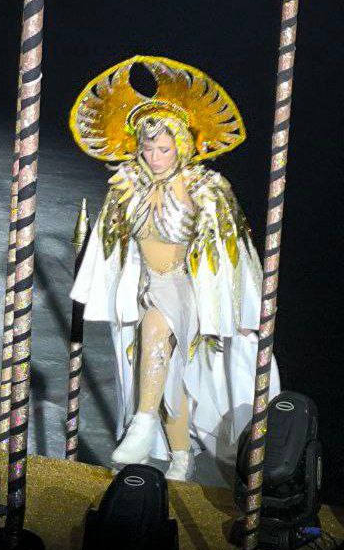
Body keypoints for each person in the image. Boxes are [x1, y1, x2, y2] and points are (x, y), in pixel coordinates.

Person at [69, 55, 279, 480]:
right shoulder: (127, 185)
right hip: (145, 285)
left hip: (184, 288)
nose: (155, 156)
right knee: (166, 373)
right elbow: (112, 247)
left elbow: (233, 253)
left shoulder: (206, 188)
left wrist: (242, 311)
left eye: (163, 148)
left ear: (181, 145)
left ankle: (143, 422)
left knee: (155, 327)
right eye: (148, 147)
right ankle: (181, 456)